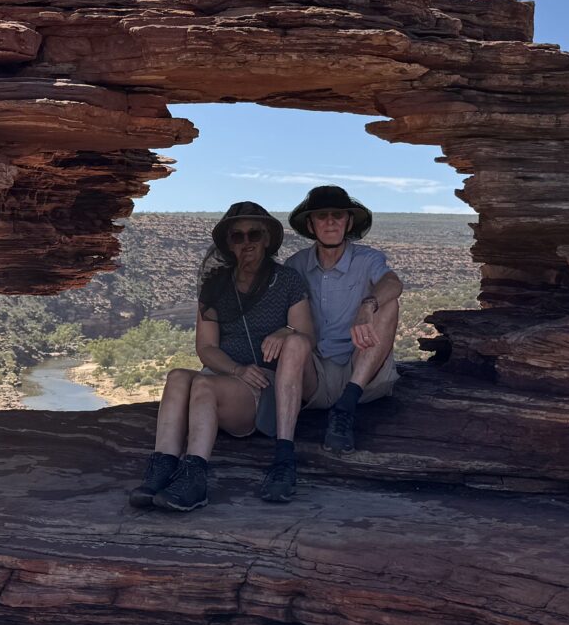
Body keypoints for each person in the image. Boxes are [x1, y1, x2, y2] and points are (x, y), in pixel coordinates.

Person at [128, 201, 314, 512]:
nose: (246, 243)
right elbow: (206, 348)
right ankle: (162, 467)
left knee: (204, 385)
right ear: (228, 243)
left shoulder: (287, 281)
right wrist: (236, 369)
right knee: (177, 377)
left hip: (264, 385)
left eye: (254, 234)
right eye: (238, 236)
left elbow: (306, 336)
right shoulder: (216, 285)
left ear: (267, 238)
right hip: (231, 376)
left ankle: (195, 478)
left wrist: (285, 331)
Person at [282, 184, 403, 456]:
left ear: (348, 222)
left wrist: (367, 306)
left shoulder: (368, 259)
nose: (330, 222)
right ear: (311, 225)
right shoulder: (295, 265)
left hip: (361, 371)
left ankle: (345, 407)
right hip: (315, 376)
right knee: (292, 343)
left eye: (337, 215)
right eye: (321, 216)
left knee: (388, 303)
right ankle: (283, 445)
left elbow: (393, 283)